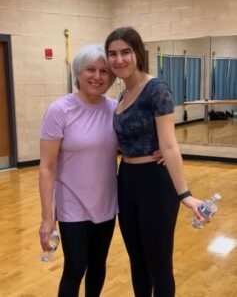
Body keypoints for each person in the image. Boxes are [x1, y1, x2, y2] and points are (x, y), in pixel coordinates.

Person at [105, 26, 203, 297]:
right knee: (137, 261)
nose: (119, 59)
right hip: (126, 182)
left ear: (138, 54)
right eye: (112, 54)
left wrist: (185, 194)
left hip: (155, 184)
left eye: (125, 52)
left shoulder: (156, 89)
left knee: (159, 265)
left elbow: (169, 144)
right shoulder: (122, 96)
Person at [38, 44, 118, 297]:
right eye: (90, 70)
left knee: (98, 265)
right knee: (75, 267)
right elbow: (46, 167)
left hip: (106, 204)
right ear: (78, 73)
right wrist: (47, 217)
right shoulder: (60, 110)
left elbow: (130, 146)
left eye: (104, 71)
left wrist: (156, 151)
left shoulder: (116, 108)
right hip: (72, 204)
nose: (97, 76)